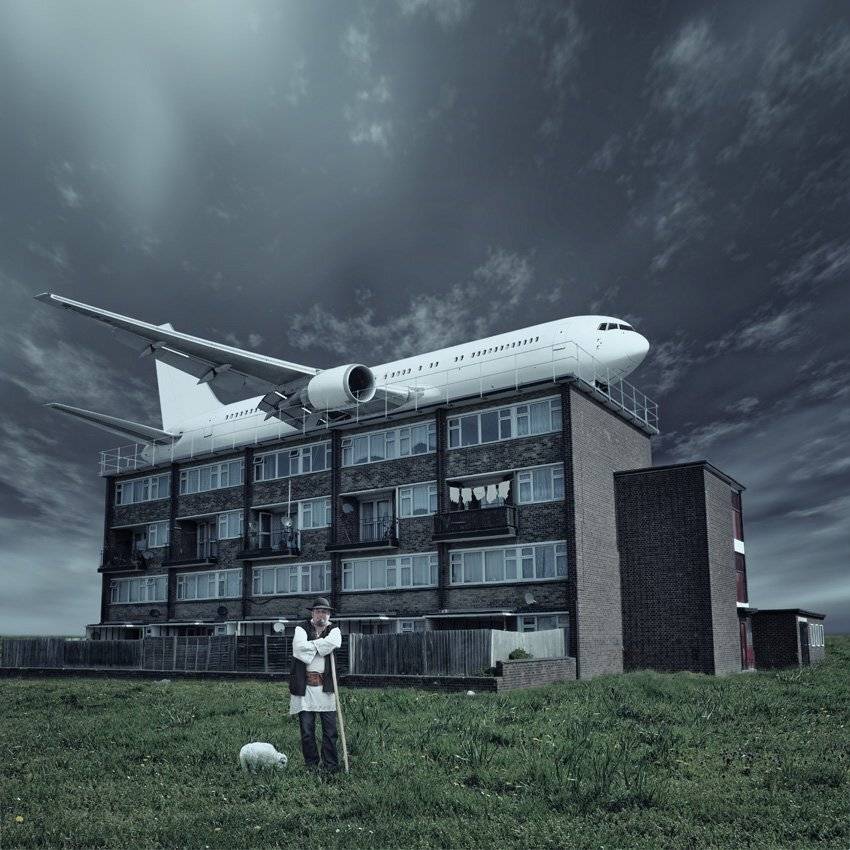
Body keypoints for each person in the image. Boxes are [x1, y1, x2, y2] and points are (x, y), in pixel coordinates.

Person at [288, 597, 342, 772]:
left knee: (330, 731)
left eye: (325, 612)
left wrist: (310, 646)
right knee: (307, 731)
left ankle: (331, 766)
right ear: (312, 613)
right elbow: (298, 649)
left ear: (329, 615)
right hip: (305, 687)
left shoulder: (334, 630)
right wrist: (321, 647)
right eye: (318, 611)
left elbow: (333, 642)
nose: (322, 615)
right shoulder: (301, 628)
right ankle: (311, 765)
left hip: (326, 687)